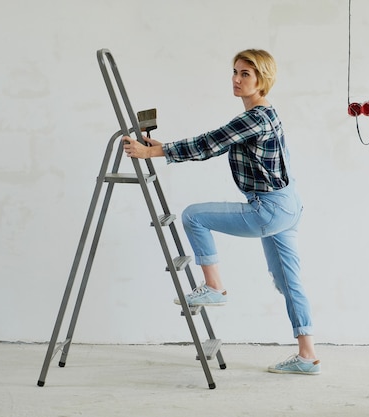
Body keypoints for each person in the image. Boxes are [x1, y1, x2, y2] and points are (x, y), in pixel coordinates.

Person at [123, 49, 320, 375]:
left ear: (262, 79)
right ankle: (307, 355)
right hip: (287, 204)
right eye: (235, 72)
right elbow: (215, 143)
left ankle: (213, 287)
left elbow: (210, 142)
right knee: (289, 282)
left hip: (269, 208)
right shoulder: (266, 114)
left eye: (245, 74)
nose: (236, 79)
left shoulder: (253, 118)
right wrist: (157, 148)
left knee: (193, 215)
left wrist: (152, 152)